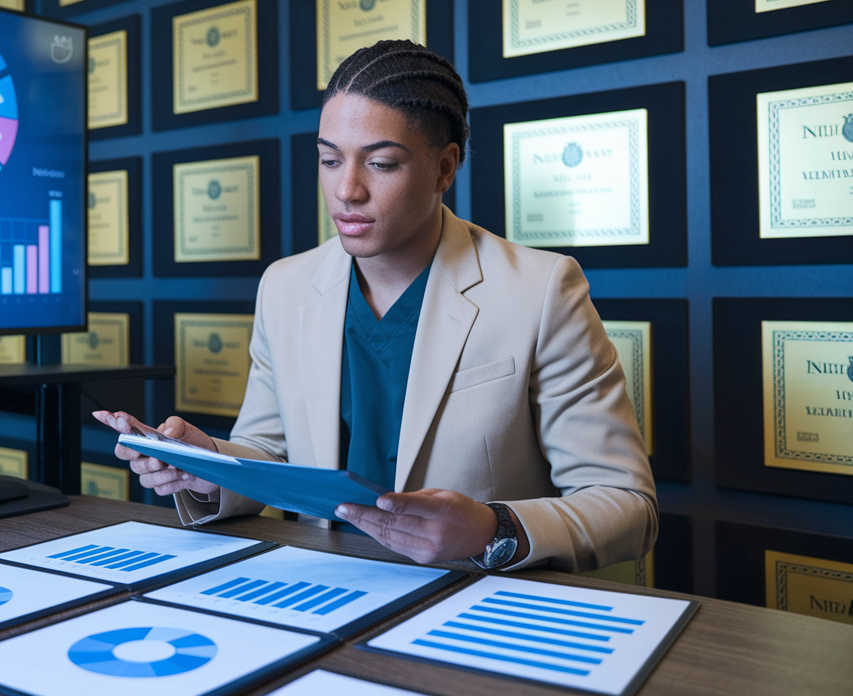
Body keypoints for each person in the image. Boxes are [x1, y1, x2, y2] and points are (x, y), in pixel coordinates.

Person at [95, 39, 656, 572]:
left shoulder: (542, 289)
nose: (347, 191)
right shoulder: (286, 286)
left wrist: (493, 529)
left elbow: (627, 506)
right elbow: (267, 453)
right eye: (330, 160)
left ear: (444, 168)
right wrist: (210, 466)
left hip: (474, 606)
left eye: (381, 163)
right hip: (325, 592)